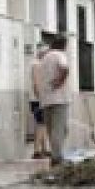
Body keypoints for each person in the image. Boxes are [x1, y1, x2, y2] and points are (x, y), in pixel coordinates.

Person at [33, 33, 72, 164]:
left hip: (46, 99)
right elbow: (65, 68)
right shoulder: (59, 55)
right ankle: (57, 157)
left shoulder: (44, 58)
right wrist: (59, 82)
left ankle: (55, 155)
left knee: (50, 129)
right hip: (60, 98)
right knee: (60, 129)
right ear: (63, 45)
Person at [27, 43, 50, 160]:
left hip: (40, 98)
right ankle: (36, 150)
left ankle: (45, 149)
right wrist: (40, 98)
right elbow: (36, 83)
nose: (47, 55)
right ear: (40, 52)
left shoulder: (40, 64)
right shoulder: (35, 64)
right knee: (41, 124)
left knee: (44, 124)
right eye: (45, 53)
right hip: (37, 99)